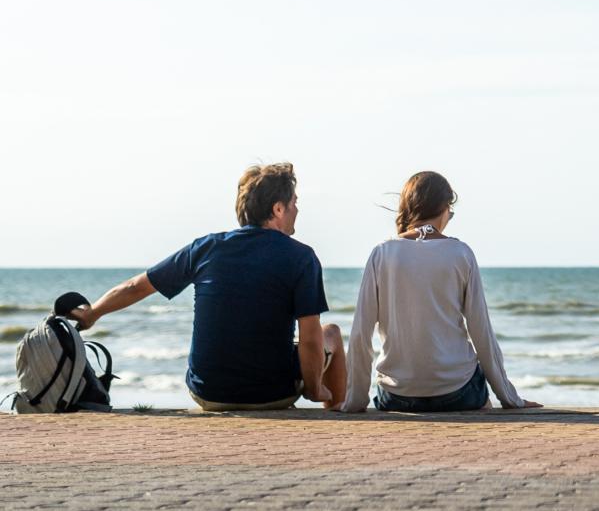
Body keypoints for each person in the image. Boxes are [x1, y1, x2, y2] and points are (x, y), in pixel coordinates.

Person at [75, 163, 344, 411]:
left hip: (208, 393)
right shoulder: (301, 257)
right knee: (329, 332)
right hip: (272, 394)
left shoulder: (206, 248)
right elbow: (309, 337)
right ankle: (336, 414)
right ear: (278, 209)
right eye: (294, 202)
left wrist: (93, 313)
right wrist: (313, 388)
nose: (297, 210)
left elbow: (136, 287)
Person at [339, 171, 540, 412]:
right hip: (457, 391)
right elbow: (481, 331)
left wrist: (354, 401)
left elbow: (361, 332)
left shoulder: (382, 253)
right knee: (482, 408)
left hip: (397, 394)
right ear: (445, 207)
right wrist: (510, 399)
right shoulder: (460, 253)